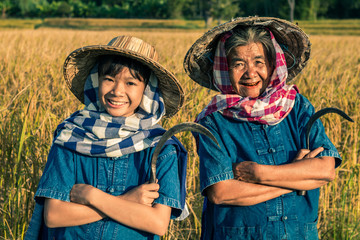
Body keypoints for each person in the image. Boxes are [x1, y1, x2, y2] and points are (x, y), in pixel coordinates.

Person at [184, 17, 341, 239]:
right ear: (224, 69)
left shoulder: (297, 107)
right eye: (238, 64)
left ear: (272, 64)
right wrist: (296, 179)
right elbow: (222, 192)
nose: (250, 73)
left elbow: (325, 170)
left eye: (259, 62)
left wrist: (259, 173)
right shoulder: (213, 122)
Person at [25, 35, 188, 240]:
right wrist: (127, 200)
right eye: (109, 79)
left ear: (147, 90)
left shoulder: (161, 147)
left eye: (130, 83)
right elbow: (54, 215)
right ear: (97, 81)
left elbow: (157, 223)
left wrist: (92, 196)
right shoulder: (71, 137)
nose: (117, 91)